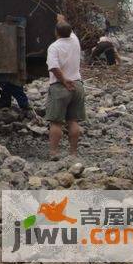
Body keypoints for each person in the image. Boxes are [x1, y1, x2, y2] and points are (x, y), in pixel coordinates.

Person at [45, 16, 85, 158]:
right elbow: (68, 29)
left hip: (60, 86)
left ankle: (54, 152)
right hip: (77, 85)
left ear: (56, 32)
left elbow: (54, 67)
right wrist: (61, 19)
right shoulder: (75, 41)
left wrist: (63, 80)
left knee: (56, 122)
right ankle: (73, 153)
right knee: (73, 121)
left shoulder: (54, 47)